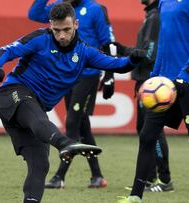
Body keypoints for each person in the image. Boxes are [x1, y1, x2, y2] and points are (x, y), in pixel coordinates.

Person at [0, 3, 144, 203]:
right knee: (36, 116)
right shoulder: (40, 38)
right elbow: (7, 50)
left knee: (40, 164)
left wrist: (133, 61)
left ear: (76, 24)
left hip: (34, 110)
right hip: (12, 94)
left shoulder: (85, 52)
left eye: (67, 30)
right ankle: (66, 143)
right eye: (57, 30)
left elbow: (115, 64)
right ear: (51, 25)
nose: (61, 35)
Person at [117, 0, 189, 202]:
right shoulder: (164, 1)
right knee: (147, 136)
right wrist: (153, 78)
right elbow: (163, 44)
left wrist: (186, 74)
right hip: (163, 86)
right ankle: (135, 196)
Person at [28, 0, 116, 189]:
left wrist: (109, 75)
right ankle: (97, 176)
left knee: (72, 122)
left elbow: (108, 41)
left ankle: (59, 176)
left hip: (87, 75)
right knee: (82, 125)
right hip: (65, 74)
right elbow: (34, 14)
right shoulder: (60, 8)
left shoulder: (95, 9)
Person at [115, 0, 173, 193]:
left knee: (152, 130)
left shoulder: (155, 17)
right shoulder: (152, 15)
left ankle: (165, 181)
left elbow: (149, 54)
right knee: (144, 129)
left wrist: (124, 50)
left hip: (151, 84)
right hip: (146, 82)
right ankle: (149, 178)